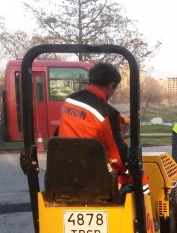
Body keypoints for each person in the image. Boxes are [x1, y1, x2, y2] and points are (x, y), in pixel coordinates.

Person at [57, 62, 148, 194]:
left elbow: (87, 119)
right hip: (93, 176)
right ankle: (144, 214)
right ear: (111, 85)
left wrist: (121, 120)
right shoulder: (106, 113)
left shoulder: (69, 101)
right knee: (139, 174)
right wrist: (129, 162)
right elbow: (118, 158)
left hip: (65, 172)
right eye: (114, 89)